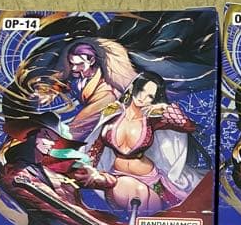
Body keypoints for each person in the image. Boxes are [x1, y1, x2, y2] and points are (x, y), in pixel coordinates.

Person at [88, 71, 205, 215]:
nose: (143, 98)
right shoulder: (113, 115)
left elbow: (188, 127)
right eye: (142, 90)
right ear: (133, 88)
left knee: (161, 214)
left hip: (150, 180)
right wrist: (88, 169)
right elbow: (97, 147)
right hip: (117, 175)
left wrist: (166, 109)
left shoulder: (152, 120)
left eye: (150, 96)